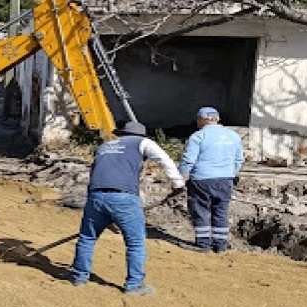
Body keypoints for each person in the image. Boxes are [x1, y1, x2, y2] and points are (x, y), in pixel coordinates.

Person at [70, 121, 185, 296]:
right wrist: (177, 183)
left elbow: (95, 171)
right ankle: (134, 285)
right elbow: (164, 159)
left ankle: (78, 276)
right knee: (135, 243)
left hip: (96, 195)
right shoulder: (143, 143)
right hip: (124, 197)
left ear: (121, 133)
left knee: (87, 238)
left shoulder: (105, 146)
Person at [179, 106, 245, 253]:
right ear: (217, 119)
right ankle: (220, 245)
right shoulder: (233, 136)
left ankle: (203, 244)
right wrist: (230, 173)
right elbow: (239, 159)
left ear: (202, 120)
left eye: (198, 119)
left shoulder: (198, 136)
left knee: (200, 210)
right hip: (225, 179)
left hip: (201, 180)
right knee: (221, 211)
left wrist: (181, 178)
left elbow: (188, 160)